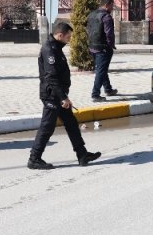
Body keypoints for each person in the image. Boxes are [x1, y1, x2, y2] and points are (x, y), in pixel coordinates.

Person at [29, 21, 101, 170]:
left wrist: (63, 96)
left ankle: (82, 155)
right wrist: (63, 98)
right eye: (68, 37)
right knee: (47, 127)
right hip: (52, 95)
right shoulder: (49, 49)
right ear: (60, 35)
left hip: (58, 94)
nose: (69, 40)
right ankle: (34, 158)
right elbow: (51, 77)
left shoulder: (56, 47)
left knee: (71, 123)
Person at [87, 0, 118, 102]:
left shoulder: (91, 15)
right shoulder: (106, 17)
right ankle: (95, 94)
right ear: (107, 5)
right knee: (101, 71)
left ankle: (108, 89)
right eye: (112, 6)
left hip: (92, 46)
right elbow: (109, 33)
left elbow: (87, 29)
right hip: (103, 48)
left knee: (102, 69)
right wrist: (111, 45)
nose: (112, 8)